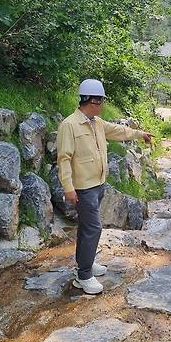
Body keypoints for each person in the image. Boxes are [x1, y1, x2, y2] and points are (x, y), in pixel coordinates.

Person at [56, 79, 152, 295]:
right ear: (93, 100)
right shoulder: (70, 125)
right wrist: (68, 187)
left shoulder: (96, 122)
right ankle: (83, 277)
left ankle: (85, 264)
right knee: (93, 228)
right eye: (102, 101)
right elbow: (63, 159)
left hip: (98, 184)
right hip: (83, 187)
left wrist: (140, 134)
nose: (103, 105)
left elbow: (119, 131)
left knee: (86, 227)